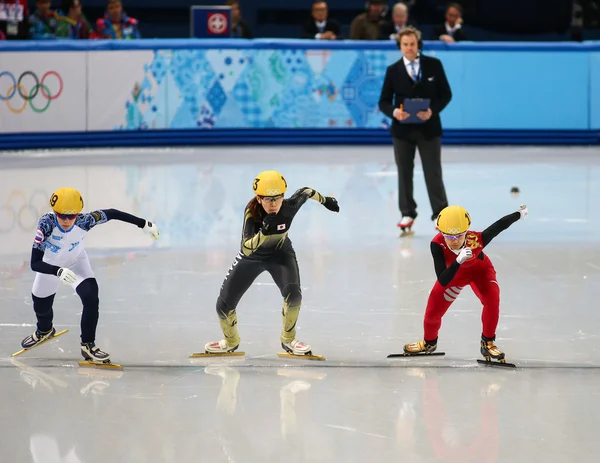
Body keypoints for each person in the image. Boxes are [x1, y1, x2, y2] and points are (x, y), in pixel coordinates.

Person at [204, 170, 339, 356]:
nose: (273, 204)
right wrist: (263, 233)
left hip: (281, 254)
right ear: (259, 199)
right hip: (251, 258)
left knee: (294, 296)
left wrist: (325, 201)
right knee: (223, 306)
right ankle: (230, 341)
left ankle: (289, 340)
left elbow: (306, 191)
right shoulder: (252, 212)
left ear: (283, 196)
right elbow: (246, 249)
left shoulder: (289, 206)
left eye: (277, 198)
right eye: (268, 199)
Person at [21, 187, 159, 364]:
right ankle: (44, 330)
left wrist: (143, 223)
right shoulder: (46, 224)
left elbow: (112, 213)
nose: (65, 220)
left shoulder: (85, 221)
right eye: (61, 215)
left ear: (77, 214)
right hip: (50, 265)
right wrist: (57, 271)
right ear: (54, 212)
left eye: (71, 216)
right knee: (41, 306)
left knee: (91, 296)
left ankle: (88, 345)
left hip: (76, 262)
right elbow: (35, 263)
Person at [403, 204, 529, 362]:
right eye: (448, 236)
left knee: (492, 298)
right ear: (441, 232)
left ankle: (488, 343)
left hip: (480, 272)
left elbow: (499, 226)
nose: (454, 240)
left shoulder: (476, 239)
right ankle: (429, 343)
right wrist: (457, 261)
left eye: (459, 236)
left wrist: (519, 214)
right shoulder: (436, 245)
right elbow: (443, 280)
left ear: (466, 232)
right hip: (453, 275)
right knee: (433, 311)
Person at [378, 26, 452, 235]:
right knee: (404, 172)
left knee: (433, 172)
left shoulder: (433, 65)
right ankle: (407, 212)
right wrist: (394, 112)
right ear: (400, 46)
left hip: (429, 128)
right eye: (405, 44)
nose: (409, 48)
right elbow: (383, 101)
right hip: (402, 131)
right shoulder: (393, 71)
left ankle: (440, 213)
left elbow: (446, 94)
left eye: (412, 44)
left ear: (418, 44)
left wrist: (432, 111)